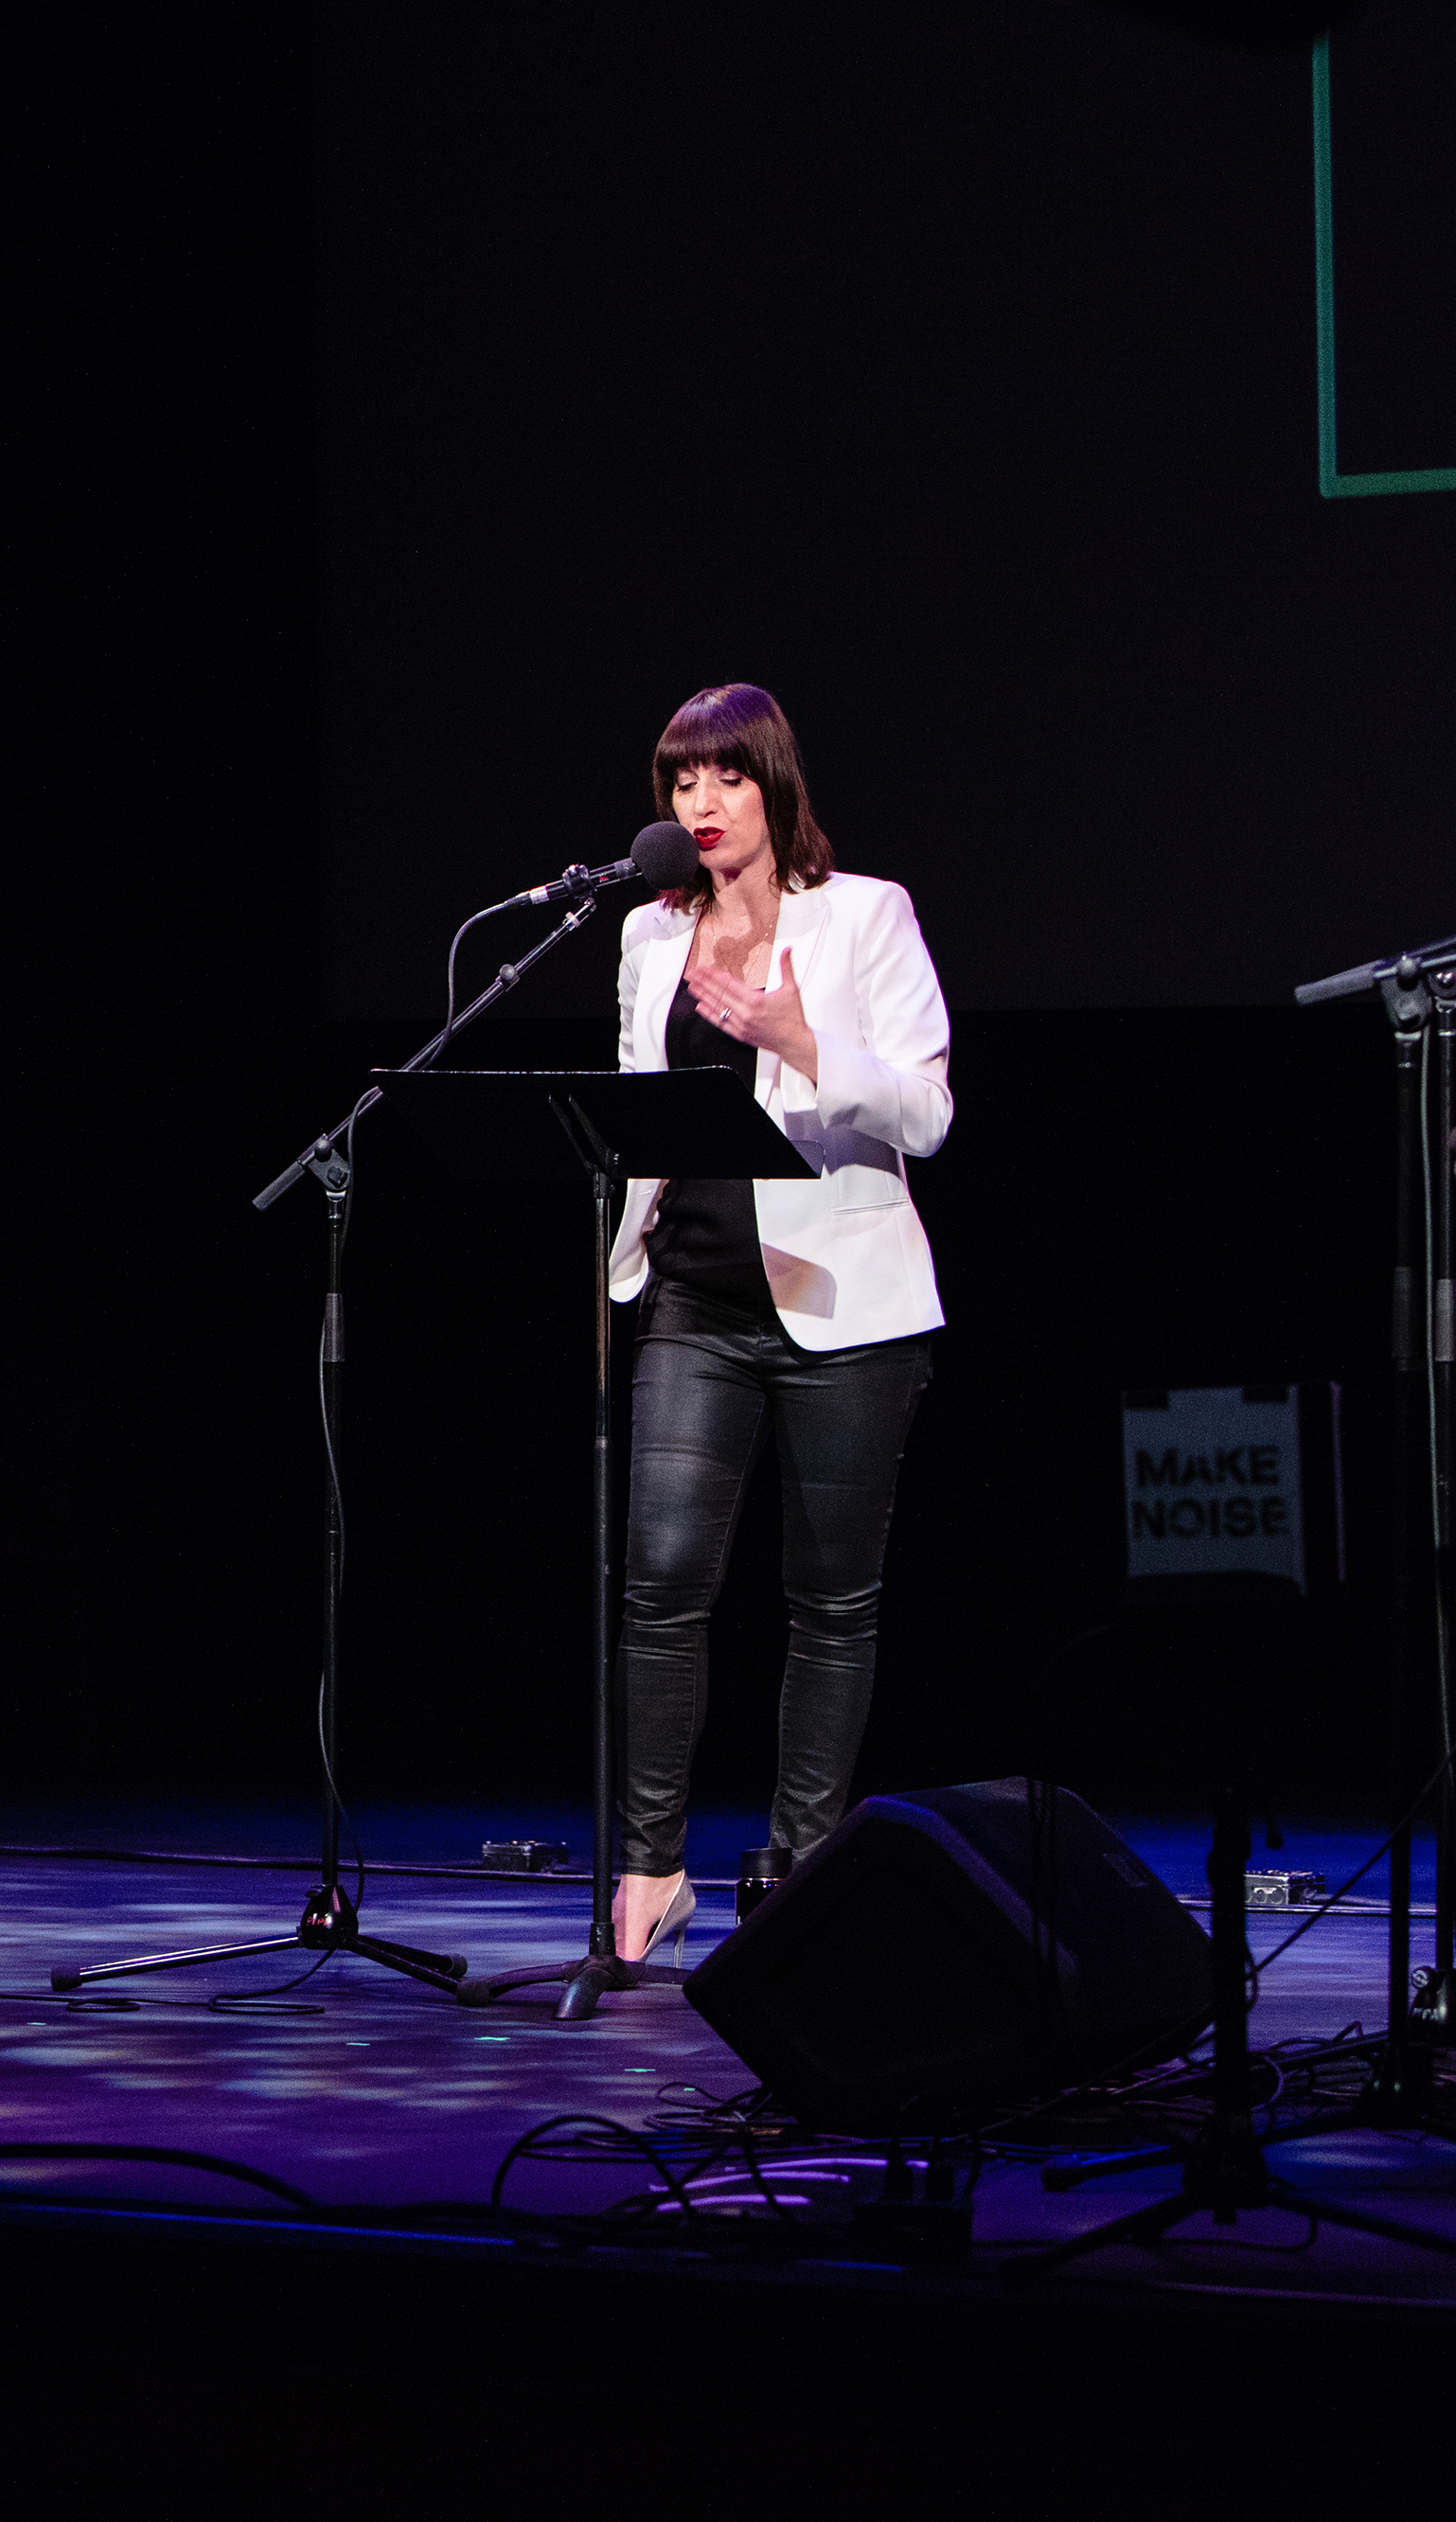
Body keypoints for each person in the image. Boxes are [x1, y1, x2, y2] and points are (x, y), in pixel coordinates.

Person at [605, 683, 948, 1966]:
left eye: (725, 778)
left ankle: (808, 1870)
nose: (700, 803)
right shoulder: (647, 935)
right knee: (662, 1591)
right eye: (681, 781)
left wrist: (803, 1039)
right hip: (691, 1292)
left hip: (845, 1308)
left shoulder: (864, 916)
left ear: (774, 787)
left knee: (831, 1604)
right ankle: (650, 1872)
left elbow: (927, 1113)